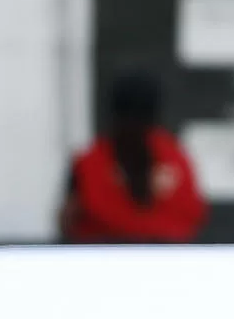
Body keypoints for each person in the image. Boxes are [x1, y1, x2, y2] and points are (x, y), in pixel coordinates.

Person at [61, 73, 208, 243]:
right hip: (152, 259)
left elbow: (68, 220)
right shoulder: (176, 157)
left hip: (114, 259)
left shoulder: (90, 161)